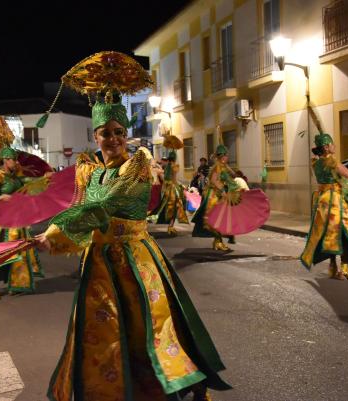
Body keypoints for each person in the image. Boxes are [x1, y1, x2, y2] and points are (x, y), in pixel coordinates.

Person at [34, 51, 229, 401]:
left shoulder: (137, 164)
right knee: (102, 330)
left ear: (126, 133)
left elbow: (102, 207)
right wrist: (59, 239)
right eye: (105, 132)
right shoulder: (91, 171)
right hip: (98, 263)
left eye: (119, 131)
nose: (113, 138)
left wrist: (55, 230)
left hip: (133, 261)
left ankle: (189, 383)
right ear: (95, 137)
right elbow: (83, 208)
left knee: (150, 330)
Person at [300, 133, 348, 280]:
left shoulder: (315, 163)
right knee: (345, 234)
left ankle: (332, 267)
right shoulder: (332, 162)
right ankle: (345, 268)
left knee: (328, 235)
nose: (334, 146)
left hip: (322, 201)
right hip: (335, 201)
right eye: (332, 144)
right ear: (326, 147)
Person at [0, 147, 43, 299]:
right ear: (6, 160)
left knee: (19, 252)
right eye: (13, 159)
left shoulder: (15, 177)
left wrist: (47, 177)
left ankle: (17, 283)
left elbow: (29, 183)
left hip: (17, 220)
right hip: (1, 223)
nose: (16, 162)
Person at [192, 143, 240, 250]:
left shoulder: (222, 166)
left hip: (219, 194)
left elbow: (232, 175)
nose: (228, 157)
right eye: (226, 155)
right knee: (216, 218)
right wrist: (222, 190)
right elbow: (214, 180)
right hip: (213, 195)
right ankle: (218, 241)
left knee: (221, 218)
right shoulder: (217, 167)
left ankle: (218, 241)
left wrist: (229, 170)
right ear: (222, 156)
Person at [151, 148, 189, 235]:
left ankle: (170, 226)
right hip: (173, 189)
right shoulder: (174, 166)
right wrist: (180, 187)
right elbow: (174, 179)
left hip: (167, 189)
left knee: (168, 207)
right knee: (176, 207)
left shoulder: (167, 166)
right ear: (175, 158)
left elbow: (165, 179)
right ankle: (170, 226)